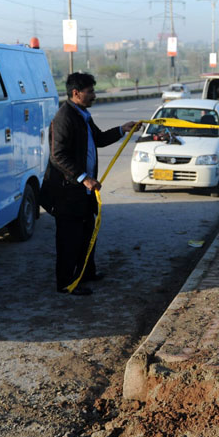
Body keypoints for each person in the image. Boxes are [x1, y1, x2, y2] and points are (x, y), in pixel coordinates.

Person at [43, 73, 136, 295]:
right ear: (76, 93)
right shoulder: (64, 118)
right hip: (67, 193)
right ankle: (67, 283)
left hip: (83, 192)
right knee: (69, 239)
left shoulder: (83, 115)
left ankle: (86, 273)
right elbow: (57, 156)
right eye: (90, 91)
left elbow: (100, 139)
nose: (94, 95)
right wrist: (84, 178)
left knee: (87, 233)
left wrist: (122, 129)